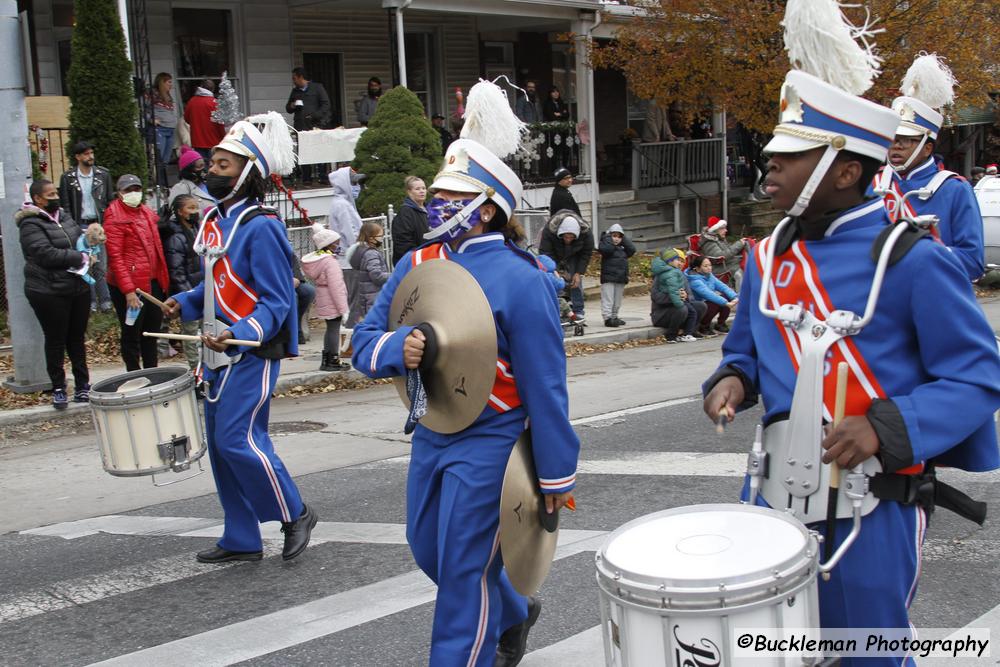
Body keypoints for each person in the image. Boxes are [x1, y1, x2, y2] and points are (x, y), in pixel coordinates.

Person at [702, 4, 1000, 660]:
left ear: (845, 169)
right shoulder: (764, 256)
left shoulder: (914, 260)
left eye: (789, 157)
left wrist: (884, 427)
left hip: (872, 505)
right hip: (772, 495)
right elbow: (747, 352)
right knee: (772, 650)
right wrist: (730, 379)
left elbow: (979, 375)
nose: (768, 167)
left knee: (866, 654)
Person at [352, 79, 579, 665]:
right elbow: (363, 344)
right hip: (431, 430)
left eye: (452, 196)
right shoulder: (416, 263)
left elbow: (546, 384)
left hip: (493, 438)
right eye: (438, 192)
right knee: (427, 548)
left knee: (461, 574)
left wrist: (555, 477)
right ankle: (513, 609)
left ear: (485, 209)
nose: (435, 204)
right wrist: (396, 347)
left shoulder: (523, 277)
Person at [161, 114, 317, 564]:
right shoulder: (214, 218)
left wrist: (238, 334)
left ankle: (296, 512)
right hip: (215, 352)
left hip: (250, 350)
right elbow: (213, 288)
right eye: (212, 163)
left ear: (247, 174)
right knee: (221, 448)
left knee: (238, 440)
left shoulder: (262, 225)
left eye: (223, 166)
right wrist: (183, 303)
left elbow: (276, 302)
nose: (211, 171)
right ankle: (242, 536)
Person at [868, 54, 984, 282]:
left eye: (906, 140)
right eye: (893, 138)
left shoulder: (954, 189)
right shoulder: (872, 184)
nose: (896, 146)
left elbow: (972, 262)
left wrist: (914, 254)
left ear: (927, 147)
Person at [17, 180, 92, 409]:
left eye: (56, 192)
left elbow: (79, 239)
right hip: (48, 291)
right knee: (56, 339)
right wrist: (78, 258)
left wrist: (89, 249)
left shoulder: (65, 216)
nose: (55, 197)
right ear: (38, 199)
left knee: (76, 339)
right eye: (50, 194)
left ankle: (82, 386)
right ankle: (58, 387)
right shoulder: (30, 223)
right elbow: (45, 254)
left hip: (77, 287)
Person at [104, 174, 169, 371]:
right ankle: (133, 374)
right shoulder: (114, 216)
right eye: (128, 190)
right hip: (130, 286)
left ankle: (152, 372)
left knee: (151, 332)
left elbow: (156, 249)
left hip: (152, 281)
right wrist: (129, 291)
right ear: (119, 193)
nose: (133, 193)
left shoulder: (147, 213)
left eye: (136, 189)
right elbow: (116, 258)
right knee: (132, 332)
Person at [59, 141, 113, 311]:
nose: (91, 157)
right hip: (79, 224)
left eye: (91, 153)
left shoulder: (103, 175)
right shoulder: (68, 178)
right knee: (84, 265)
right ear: (78, 157)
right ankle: (90, 301)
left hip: (98, 225)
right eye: (86, 154)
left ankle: (105, 300)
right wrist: (71, 226)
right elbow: (66, 205)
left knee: (100, 264)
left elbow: (109, 200)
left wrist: (106, 224)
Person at [159, 194, 204, 369]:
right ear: (180, 212)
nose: (195, 212)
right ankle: (195, 369)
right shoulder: (176, 237)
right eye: (190, 208)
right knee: (191, 334)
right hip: (190, 293)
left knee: (205, 333)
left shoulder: (198, 230)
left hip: (202, 289)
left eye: (196, 207)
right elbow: (176, 272)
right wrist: (189, 296)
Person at [301, 224, 350, 371]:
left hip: (323, 297)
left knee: (329, 329)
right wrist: (344, 310)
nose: (339, 245)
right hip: (333, 300)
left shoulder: (319, 262)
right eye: (336, 242)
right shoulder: (330, 263)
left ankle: (326, 359)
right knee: (334, 330)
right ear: (329, 245)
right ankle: (333, 360)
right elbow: (337, 288)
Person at [327, 166, 364, 326]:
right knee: (354, 302)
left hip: (348, 259)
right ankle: (351, 337)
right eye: (354, 184)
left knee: (353, 300)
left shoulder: (343, 203)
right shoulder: (342, 205)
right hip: (349, 261)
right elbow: (351, 233)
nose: (357, 188)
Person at [539, 210, 593, 319]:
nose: (568, 239)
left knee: (575, 280)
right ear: (560, 233)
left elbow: (586, 254)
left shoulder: (586, 233)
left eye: (571, 237)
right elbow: (546, 253)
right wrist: (555, 271)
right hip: (554, 254)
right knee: (555, 280)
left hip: (575, 254)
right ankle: (558, 307)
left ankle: (578, 310)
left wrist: (579, 273)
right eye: (566, 237)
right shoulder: (550, 231)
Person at [286, 67, 332, 184]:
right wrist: (292, 105)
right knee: (304, 152)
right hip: (301, 125)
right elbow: (288, 108)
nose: (293, 81)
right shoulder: (295, 91)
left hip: (316, 125)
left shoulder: (317, 88)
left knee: (320, 150)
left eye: (294, 78)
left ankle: (323, 177)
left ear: (301, 77)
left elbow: (326, 104)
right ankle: (307, 178)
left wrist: (315, 115)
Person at [650, 247, 697, 343]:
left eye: (682, 261)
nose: (680, 263)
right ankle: (671, 334)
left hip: (678, 305)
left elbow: (691, 296)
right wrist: (676, 297)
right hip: (662, 313)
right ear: (669, 261)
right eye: (678, 260)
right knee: (682, 309)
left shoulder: (680, 274)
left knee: (699, 306)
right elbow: (656, 297)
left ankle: (688, 332)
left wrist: (686, 295)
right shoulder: (662, 275)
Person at [685, 253, 737, 336]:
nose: (709, 268)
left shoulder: (709, 275)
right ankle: (703, 326)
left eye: (710, 265)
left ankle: (720, 324)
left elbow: (723, 287)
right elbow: (708, 294)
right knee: (715, 301)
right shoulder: (694, 281)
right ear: (697, 269)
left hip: (707, 304)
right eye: (705, 266)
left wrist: (735, 297)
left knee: (726, 296)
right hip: (698, 308)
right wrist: (726, 303)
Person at [349, 220, 389, 322]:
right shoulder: (371, 254)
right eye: (380, 236)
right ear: (371, 238)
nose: (382, 238)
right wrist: (394, 276)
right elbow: (377, 276)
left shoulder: (361, 251)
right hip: (374, 297)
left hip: (367, 296)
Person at [598, 223, 635, 327]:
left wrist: (624, 239)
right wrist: (607, 237)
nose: (616, 239)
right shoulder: (606, 246)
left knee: (617, 300)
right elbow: (607, 249)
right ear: (609, 236)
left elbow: (632, 250)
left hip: (620, 277)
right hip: (608, 277)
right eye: (614, 236)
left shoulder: (623, 249)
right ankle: (607, 318)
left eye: (619, 237)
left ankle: (614, 316)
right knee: (608, 299)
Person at [698, 217, 747, 290]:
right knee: (739, 273)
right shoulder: (709, 242)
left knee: (747, 264)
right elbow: (720, 256)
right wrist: (739, 244)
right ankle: (741, 297)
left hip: (725, 263)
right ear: (716, 230)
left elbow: (728, 250)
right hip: (717, 267)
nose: (726, 230)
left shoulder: (718, 238)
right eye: (723, 228)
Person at [184, 79, 226, 161]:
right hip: (213, 141)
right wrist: (223, 137)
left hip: (197, 141)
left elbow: (187, 119)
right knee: (213, 165)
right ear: (213, 89)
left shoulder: (192, 101)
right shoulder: (215, 103)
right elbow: (220, 124)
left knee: (201, 166)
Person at [391, 175, 429, 264]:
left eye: (424, 188)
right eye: (417, 189)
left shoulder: (430, 209)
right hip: (414, 261)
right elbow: (403, 242)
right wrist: (419, 256)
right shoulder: (405, 212)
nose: (422, 191)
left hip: (430, 258)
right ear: (409, 192)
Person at [151, 72, 178, 186]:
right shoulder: (153, 94)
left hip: (170, 129)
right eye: (169, 82)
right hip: (161, 129)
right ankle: (159, 183)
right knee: (159, 157)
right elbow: (143, 109)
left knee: (166, 159)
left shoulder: (168, 96)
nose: (171, 85)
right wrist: (151, 119)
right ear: (162, 82)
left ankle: (165, 183)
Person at [291, 254, 315, 345]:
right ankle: (297, 333)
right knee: (294, 296)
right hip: (277, 282)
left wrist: (297, 278)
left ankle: (297, 321)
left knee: (309, 291)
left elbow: (294, 263)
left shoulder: (285, 246)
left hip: (290, 281)